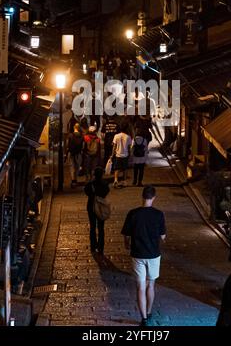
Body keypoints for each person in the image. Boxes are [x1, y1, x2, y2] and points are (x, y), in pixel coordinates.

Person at [121, 186, 166, 327]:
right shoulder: (159, 214)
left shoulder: (133, 213)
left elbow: (126, 235)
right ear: (153, 197)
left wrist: (127, 244)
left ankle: (144, 319)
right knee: (151, 284)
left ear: (142, 197)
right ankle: (149, 311)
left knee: (140, 286)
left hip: (137, 254)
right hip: (153, 254)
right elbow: (163, 236)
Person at [84, 167, 110, 255]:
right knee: (101, 227)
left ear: (94, 174)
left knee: (92, 226)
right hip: (101, 207)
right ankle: (101, 247)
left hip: (91, 206)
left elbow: (86, 192)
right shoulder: (105, 184)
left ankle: (93, 246)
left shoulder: (90, 184)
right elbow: (106, 192)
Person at [112, 121, 132, 187]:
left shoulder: (116, 136)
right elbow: (129, 148)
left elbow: (114, 146)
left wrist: (112, 155)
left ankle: (115, 180)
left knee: (117, 168)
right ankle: (124, 181)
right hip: (125, 154)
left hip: (118, 154)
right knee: (125, 168)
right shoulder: (128, 137)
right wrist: (130, 154)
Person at [68, 123, 84, 187]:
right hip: (78, 153)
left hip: (71, 153)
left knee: (72, 167)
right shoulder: (82, 136)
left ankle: (73, 180)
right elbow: (83, 146)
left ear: (74, 127)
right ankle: (76, 180)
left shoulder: (70, 135)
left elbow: (67, 145)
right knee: (77, 167)